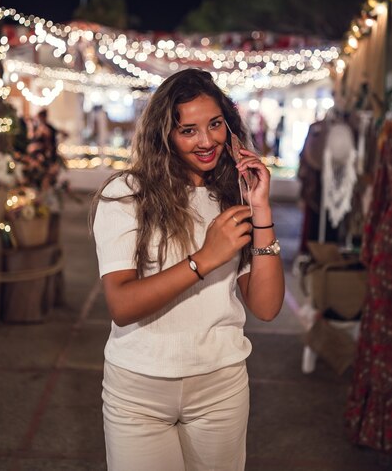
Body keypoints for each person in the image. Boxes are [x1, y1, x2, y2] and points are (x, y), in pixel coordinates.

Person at [92, 68, 285, 471]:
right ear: (165, 135)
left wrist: (261, 208)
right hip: (138, 391)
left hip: (221, 386)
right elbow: (122, 304)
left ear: (229, 127)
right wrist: (205, 258)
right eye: (188, 130)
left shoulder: (234, 197)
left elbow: (266, 307)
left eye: (215, 124)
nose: (206, 141)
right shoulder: (126, 195)